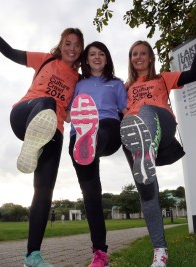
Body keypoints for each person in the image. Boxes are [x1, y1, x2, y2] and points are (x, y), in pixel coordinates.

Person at [0, 9, 84, 267]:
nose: (71, 48)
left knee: (44, 192)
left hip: (54, 133)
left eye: (76, 45)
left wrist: (70, 115)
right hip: (24, 116)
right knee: (47, 101)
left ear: (80, 51)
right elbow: (10, 52)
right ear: (61, 45)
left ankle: (32, 256)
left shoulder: (79, 80)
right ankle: (33, 141)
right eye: (67, 43)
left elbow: (75, 111)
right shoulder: (45, 60)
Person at [120, 18, 196, 267]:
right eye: (134, 54)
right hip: (132, 139)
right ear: (130, 60)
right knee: (148, 193)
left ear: (150, 58)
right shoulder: (125, 87)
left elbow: (194, 74)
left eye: (143, 53)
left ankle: (147, 150)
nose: (138, 57)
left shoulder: (163, 78)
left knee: (147, 110)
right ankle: (160, 251)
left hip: (161, 124)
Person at [68, 41, 127, 267]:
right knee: (91, 196)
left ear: (107, 58)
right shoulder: (78, 84)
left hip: (109, 129)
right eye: (92, 54)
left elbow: (125, 110)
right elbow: (67, 114)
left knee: (101, 132)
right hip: (78, 135)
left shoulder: (116, 84)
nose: (97, 57)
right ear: (86, 59)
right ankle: (100, 254)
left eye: (101, 53)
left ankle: (92, 136)